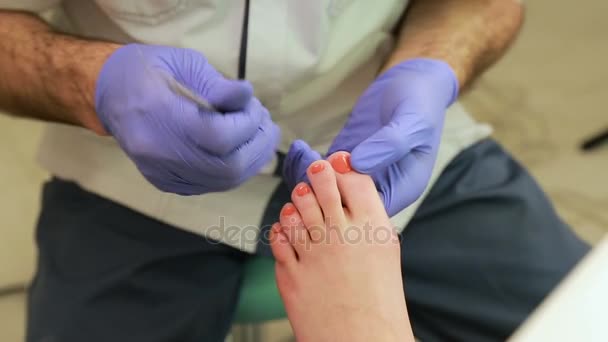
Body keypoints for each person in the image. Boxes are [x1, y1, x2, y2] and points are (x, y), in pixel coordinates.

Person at [0, 1, 588, 341]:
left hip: (383, 135)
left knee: (582, 318)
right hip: (132, 166)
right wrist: (93, 81)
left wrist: (431, 72)